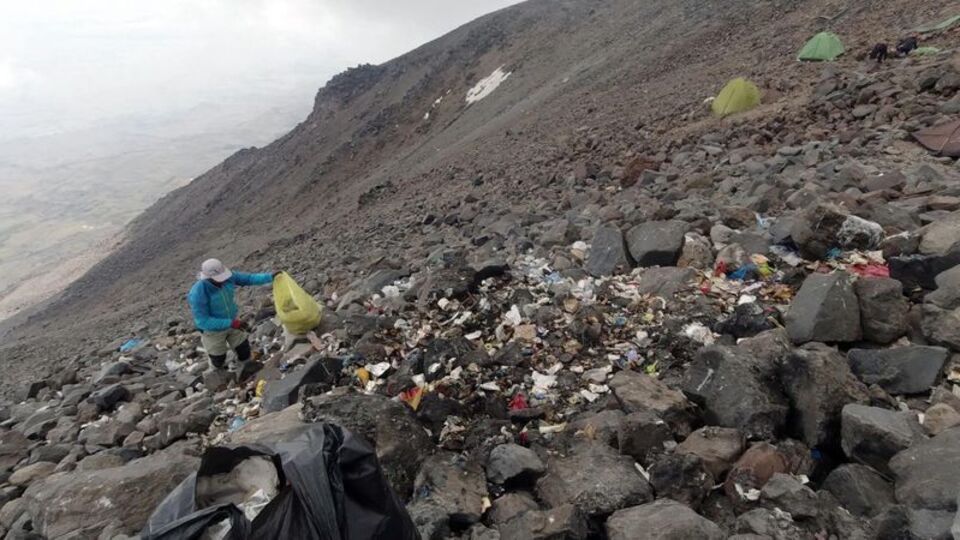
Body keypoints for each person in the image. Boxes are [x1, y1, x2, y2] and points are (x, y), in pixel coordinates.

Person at [188, 258, 277, 370]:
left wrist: (270, 277)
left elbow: (248, 279)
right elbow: (203, 321)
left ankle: (246, 369)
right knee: (218, 359)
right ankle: (216, 374)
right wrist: (232, 323)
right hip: (212, 331)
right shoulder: (198, 293)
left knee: (243, 348)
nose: (222, 280)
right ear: (208, 278)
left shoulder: (228, 277)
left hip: (232, 320)